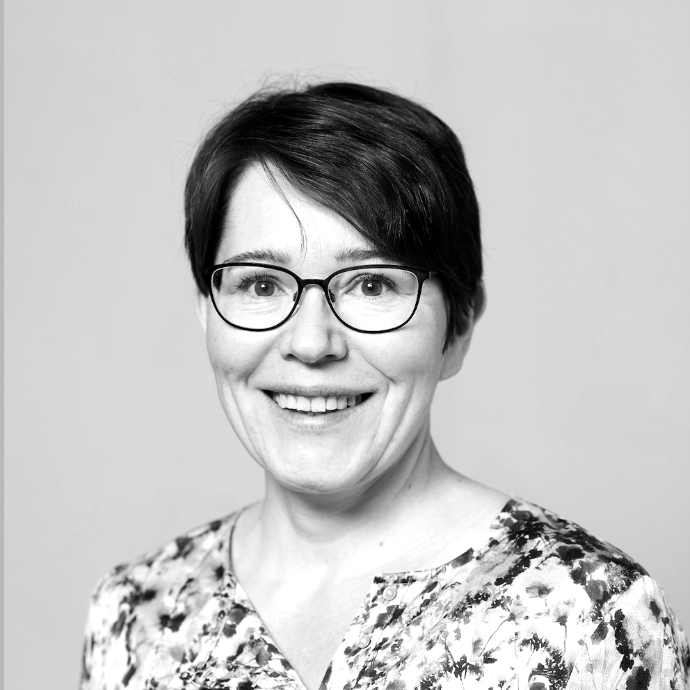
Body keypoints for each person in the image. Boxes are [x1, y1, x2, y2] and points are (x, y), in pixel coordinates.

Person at [80, 82, 689, 690]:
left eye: (372, 284)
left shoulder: (588, 615)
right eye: (261, 284)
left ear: (458, 326)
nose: (311, 343)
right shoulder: (135, 616)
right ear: (206, 313)